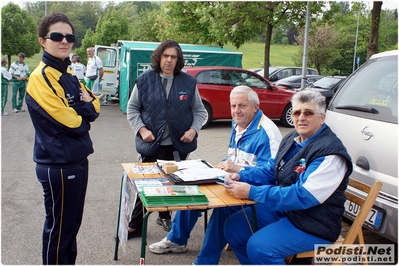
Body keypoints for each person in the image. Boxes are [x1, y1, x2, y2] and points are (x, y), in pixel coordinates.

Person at [148, 85, 282, 265]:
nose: (236, 111)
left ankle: (205, 262)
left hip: (254, 193)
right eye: (233, 106)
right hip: (234, 182)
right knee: (193, 190)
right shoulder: (238, 123)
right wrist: (222, 166)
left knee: (222, 209)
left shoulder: (267, 131)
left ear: (255, 107)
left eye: (242, 106)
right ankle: (177, 240)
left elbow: (272, 174)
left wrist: (239, 171)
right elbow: (235, 156)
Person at [223, 90, 353, 264]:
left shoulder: (330, 153)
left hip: (314, 223)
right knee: (233, 228)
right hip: (286, 211)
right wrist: (241, 175)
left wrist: (252, 192)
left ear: (322, 118)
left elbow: (303, 196)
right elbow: (271, 169)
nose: (301, 118)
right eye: (297, 112)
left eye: (308, 113)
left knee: (259, 247)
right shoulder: (293, 138)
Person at [25, 12, 100, 264]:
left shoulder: (68, 73)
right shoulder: (41, 77)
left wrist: (82, 110)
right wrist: (82, 110)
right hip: (58, 163)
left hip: (77, 159)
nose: (64, 41)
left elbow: (96, 106)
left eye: (70, 37)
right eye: (56, 36)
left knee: (71, 228)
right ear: (43, 41)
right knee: (59, 230)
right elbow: (70, 122)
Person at [126, 40, 207, 238]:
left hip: (178, 145)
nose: (169, 60)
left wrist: (193, 130)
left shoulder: (188, 82)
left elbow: (200, 111)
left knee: (174, 184)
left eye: (173, 57)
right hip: (151, 143)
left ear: (178, 60)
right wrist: (142, 129)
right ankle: (136, 225)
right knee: (147, 185)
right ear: (159, 57)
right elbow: (132, 108)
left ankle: (165, 216)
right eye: (165, 56)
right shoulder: (145, 80)